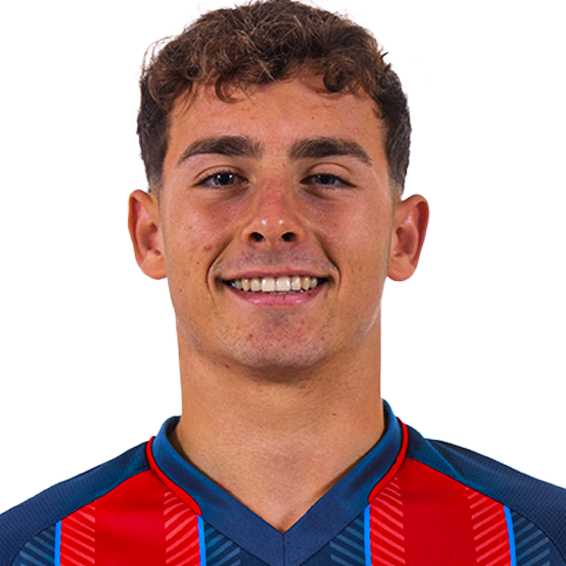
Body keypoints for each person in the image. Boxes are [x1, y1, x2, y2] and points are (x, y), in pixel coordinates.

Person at [1, 0, 564, 564]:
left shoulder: (543, 542)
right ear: (150, 235)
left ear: (404, 237)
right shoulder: (33, 552)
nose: (273, 222)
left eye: (326, 178)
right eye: (223, 177)